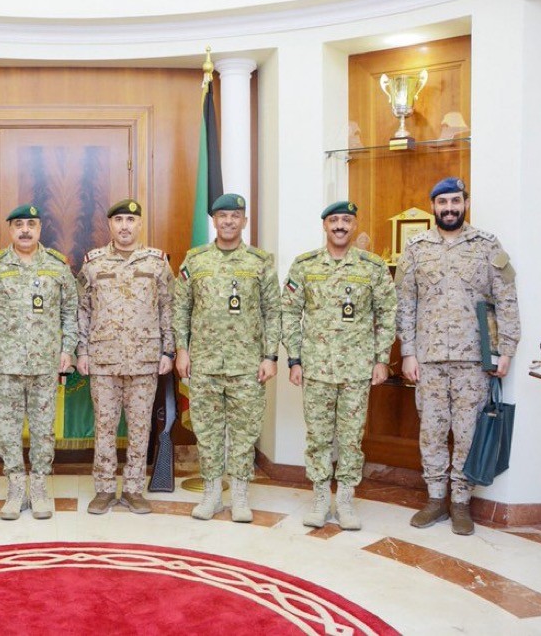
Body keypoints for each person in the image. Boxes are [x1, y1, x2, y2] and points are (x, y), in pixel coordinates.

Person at [396, 177, 520, 535]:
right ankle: (435, 499)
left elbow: (506, 299)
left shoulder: (486, 245)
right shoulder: (416, 247)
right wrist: (407, 353)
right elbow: (405, 304)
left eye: (455, 201)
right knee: (431, 432)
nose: (449, 208)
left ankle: (461, 502)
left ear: (465, 202)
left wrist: (507, 350)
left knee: (468, 432)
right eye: (442, 203)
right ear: (433, 206)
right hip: (429, 358)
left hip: (473, 361)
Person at [280, 201, 396, 531]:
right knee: (317, 437)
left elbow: (387, 313)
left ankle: (344, 499)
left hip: (357, 369)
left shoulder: (373, 267)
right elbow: (289, 312)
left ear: (354, 225)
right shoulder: (305, 266)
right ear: (325, 226)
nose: (340, 226)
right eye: (334, 220)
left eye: (346, 220)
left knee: (350, 439)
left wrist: (381, 359)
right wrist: (295, 359)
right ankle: (320, 497)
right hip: (315, 368)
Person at [173, 193, 281, 522]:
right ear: (214, 221)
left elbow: (273, 311)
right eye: (222, 216)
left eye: (235, 215)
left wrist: (270, 355)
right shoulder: (196, 261)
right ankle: (211, 495)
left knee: (245, 432)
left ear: (244, 221)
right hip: (204, 362)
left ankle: (240, 496)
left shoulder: (260, 262)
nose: (229, 221)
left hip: (247, 364)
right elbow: (181, 308)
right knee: (207, 431)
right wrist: (182, 349)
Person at [0, 204, 78, 521]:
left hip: (46, 362)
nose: (25, 230)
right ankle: (15, 488)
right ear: (10, 230)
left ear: (39, 229)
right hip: (6, 363)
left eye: (31, 224)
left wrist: (68, 348)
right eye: (19, 224)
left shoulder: (57, 267)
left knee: (43, 431)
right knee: (8, 430)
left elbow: (70, 311)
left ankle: (39, 487)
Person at [76, 199, 175, 515]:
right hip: (104, 359)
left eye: (131, 220)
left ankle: (133, 489)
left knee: (140, 427)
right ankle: (104, 490)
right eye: (118, 220)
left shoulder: (157, 262)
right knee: (104, 427)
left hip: (145, 359)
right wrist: (82, 351)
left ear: (140, 224)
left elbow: (167, 308)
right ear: (110, 225)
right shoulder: (93, 263)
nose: (125, 226)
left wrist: (168, 351)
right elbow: (82, 310)